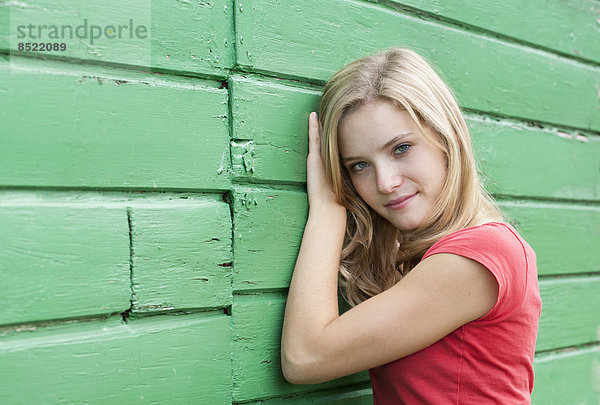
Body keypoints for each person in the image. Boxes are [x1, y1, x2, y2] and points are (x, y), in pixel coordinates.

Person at [280, 47, 542, 404]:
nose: (385, 182)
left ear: (446, 137)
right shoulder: (427, 255)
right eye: (359, 165)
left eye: (401, 148)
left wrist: (328, 208)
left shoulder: (479, 254)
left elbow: (305, 357)